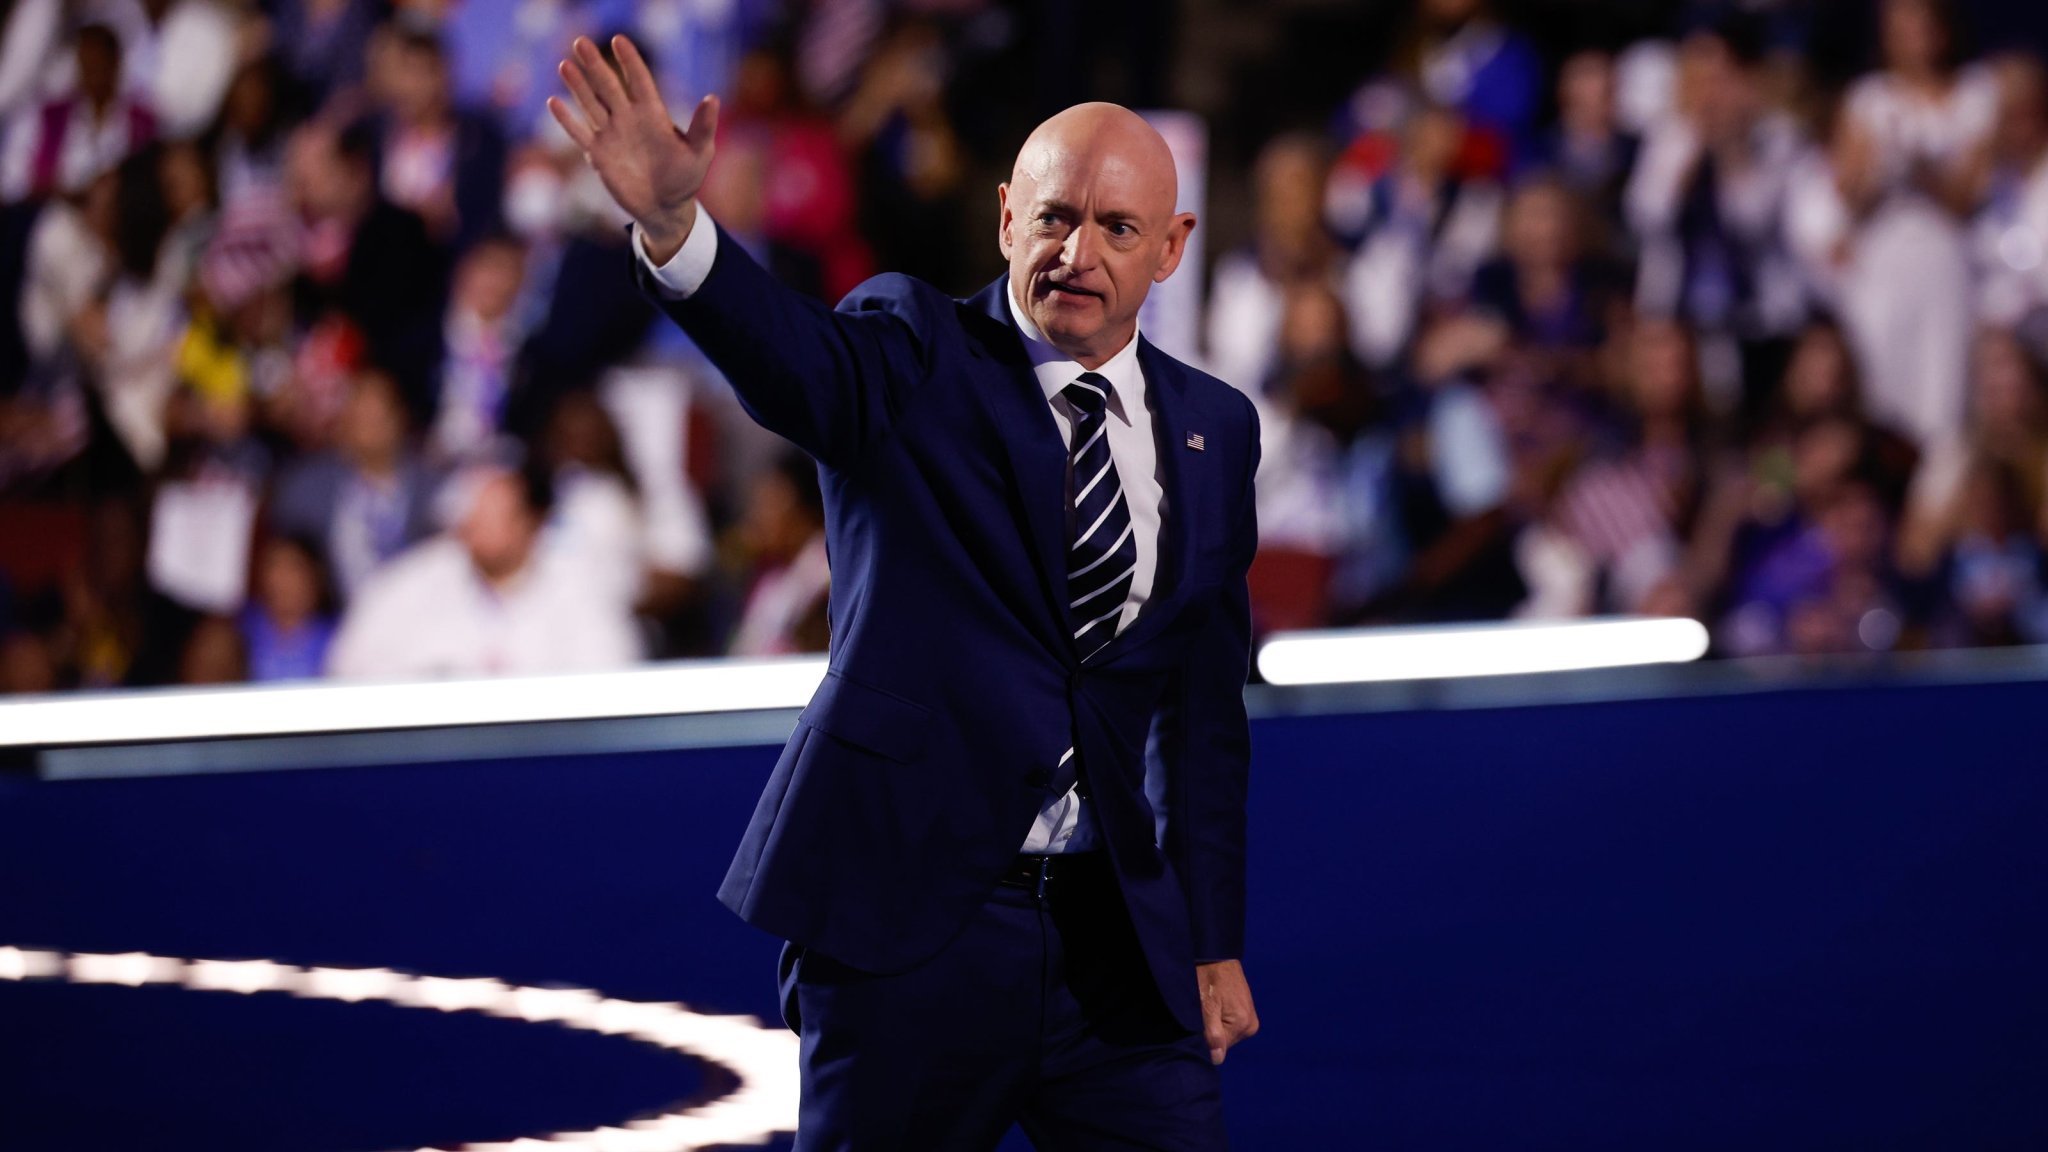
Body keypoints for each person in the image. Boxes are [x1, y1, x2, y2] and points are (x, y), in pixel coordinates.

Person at [553, 33, 1259, 1148]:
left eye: (1118, 228)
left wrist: (1209, 938)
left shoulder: (1218, 426)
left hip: (1117, 948)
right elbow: (791, 356)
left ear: (1171, 247)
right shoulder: (914, 349)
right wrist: (680, 231)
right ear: (1005, 220)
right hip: (911, 929)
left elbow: (1201, 716)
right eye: (1053, 218)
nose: (1078, 252)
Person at [324, 461, 641, 679]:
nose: (479, 529)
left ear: (531, 523)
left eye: (497, 516)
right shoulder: (408, 583)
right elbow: (348, 670)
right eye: (475, 516)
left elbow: (614, 675)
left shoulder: (577, 585)